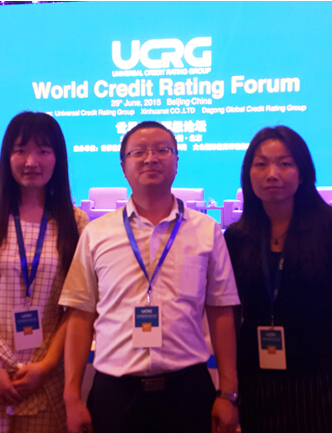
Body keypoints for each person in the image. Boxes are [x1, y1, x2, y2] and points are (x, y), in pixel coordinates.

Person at [59, 121, 240, 433]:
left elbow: (221, 312)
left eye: (162, 150)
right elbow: (80, 316)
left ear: (177, 162)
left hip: (187, 391)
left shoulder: (206, 231)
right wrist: (72, 397)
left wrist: (228, 393)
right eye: (139, 152)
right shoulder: (96, 233)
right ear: (123, 166)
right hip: (115, 394)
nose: (151, 158)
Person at [0, 111, 88, 433]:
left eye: (43, 151)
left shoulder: (76, 222)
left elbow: (77, 307)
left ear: (57, 158)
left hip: (43, 380)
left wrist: (46, 366)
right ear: (7, 156)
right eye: (20, 150)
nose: (31, 161)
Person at [224, 126, 332, 433]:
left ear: (302, 174)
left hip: (321, 373)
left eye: (285, 163)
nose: (272, 174)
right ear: (248, 175)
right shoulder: (236, 237)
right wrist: (228, 385)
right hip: (257, 376)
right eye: (261, 164)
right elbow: (232, 314)